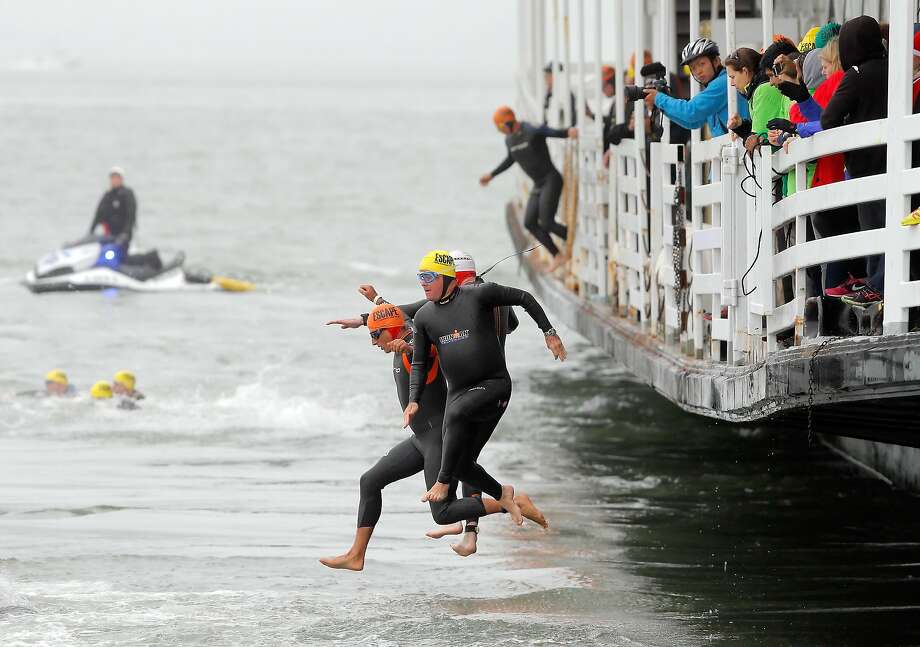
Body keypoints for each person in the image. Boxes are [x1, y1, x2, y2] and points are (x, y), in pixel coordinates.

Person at [320, 303, 546, 570]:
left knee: (443, 513)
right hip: (421, 439)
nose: (373, 343)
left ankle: (512, 502)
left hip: (439, 440)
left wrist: (409, 350)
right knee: (370, 481)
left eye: (375, 335)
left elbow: (424, 352)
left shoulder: (416, 347)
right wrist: (364, 318)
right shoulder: (408, 329)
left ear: (392, 330)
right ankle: (356, 555)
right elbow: (400, 313)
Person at [403, 251, 566, 518]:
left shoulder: (479, 295)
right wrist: (413, 400)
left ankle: (442, 484)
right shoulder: (424, 317)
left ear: (447, 277)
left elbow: (524, 298)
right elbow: (419, 363)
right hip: (460, 395)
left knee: (454, 421)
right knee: (460, 465)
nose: (423, 282)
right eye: (420, 277)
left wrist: (549, 333)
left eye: (429, 277)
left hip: (494, 386)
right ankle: (503, 494)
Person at [481, 106, 577, 272]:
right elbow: (511, 159)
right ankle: (558, 255)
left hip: (551, 180)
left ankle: (574, 238)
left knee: (546, 222)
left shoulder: (530, 130)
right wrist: (492, 175)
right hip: (538, 184)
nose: (500, 131)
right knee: (530, 222)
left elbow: (549, 131)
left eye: (500, 127)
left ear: (508, 122)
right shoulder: (509, 140)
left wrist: (568, 132)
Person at [644, 38, 750, 138]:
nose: (698, 71)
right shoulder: (716, 84)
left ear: (716, 61)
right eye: (693, 68)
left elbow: (691, 112)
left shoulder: (722, 82)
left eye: (702, 64)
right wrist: (661, 104)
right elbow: (693, 122)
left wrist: (658, 98)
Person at [89, 167, 137, 250]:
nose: (114, 180)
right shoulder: (108, 195)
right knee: (92, 241)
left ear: (121, 179)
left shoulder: (127, 194)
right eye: (113, 178)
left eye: (117, 178)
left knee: (117, 245)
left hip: (122, 236)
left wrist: (125, 233)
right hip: (109, 234)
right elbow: (98, 214)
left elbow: (131, 216)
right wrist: (91, 231)